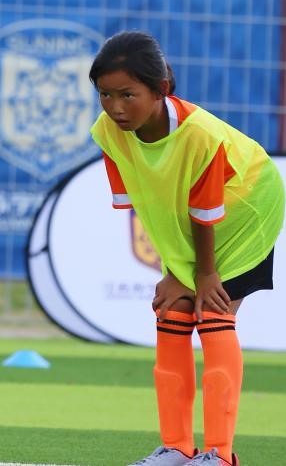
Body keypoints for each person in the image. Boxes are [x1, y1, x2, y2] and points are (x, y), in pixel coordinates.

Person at [88, 31, 283, 466]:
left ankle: (220, 454)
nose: (115, 106)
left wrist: (203, 273)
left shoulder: (200, 137)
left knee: (213, 312)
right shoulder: (109, 133)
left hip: (247, 205)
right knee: (172, 311)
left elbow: (204, 213)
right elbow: (150, 206)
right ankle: (176, 447)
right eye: (104, 93)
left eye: (128, 94)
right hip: (194, 223)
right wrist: (173, 270)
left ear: (161, 91)